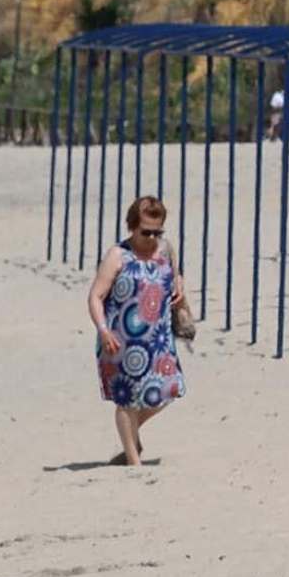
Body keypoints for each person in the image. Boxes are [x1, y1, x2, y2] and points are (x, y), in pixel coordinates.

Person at [87, 195, 189, 469]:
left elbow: (175, 277)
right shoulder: (117, 256)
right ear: (132, 226)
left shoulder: (166, 250)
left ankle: (130, 435)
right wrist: (103, 330)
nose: (152, 237)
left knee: (169, 389)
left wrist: (179, 286)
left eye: (158, 231)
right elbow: (96, 296)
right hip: (121, 340)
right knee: (127, 400)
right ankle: (134, 462)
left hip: (158, 339)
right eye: (146, 232)